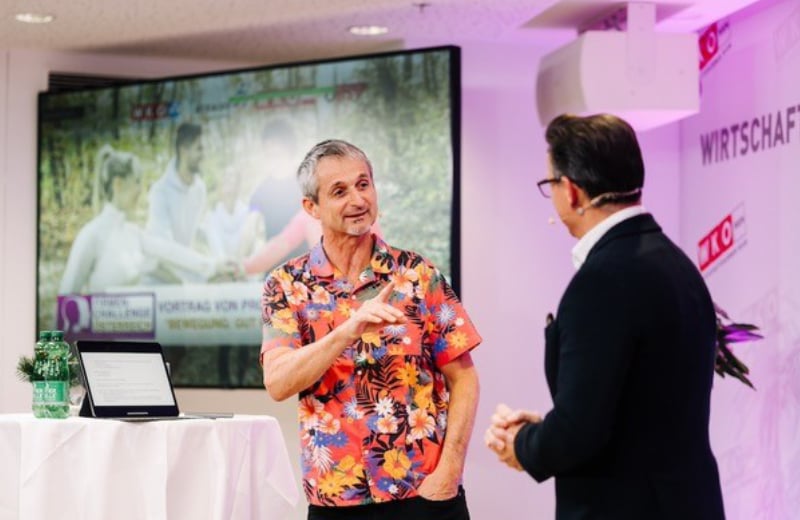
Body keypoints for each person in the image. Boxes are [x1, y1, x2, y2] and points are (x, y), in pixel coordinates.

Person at [485, 114, 725, 520]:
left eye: (550, 184)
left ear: (571, 191)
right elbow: (634, 408)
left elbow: (580, 430)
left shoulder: (601, 281)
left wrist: (523, 445)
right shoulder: (677, 264)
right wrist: (545, 429)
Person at [260, 139, 481, 519]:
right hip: (337, 500)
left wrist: (449, 472)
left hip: (424, 494)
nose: (358, 200)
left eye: (363, 185)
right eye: (339, 191)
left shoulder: (417, 275)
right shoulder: (286, 284)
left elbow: (465, 380)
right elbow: (278, 382)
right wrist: (347, 331)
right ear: (311, 207)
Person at [58, 145, 218, 295]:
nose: (141, 189)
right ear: (118, 184)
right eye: (136, 182)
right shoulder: (91, 235)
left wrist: (213, 265)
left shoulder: (133, 233)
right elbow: (66, 299)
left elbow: (170, 251)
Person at [145, 122, 208, 282]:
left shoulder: (199, 188)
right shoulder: (160, 192)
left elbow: (196, 230)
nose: (203, 155)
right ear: (184, 150)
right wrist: (205, 267)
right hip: (160, 275)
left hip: (185, 269)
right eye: (199, 148)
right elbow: (165, 248)